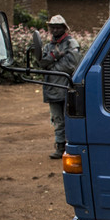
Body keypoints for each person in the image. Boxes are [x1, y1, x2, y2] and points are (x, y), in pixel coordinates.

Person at [40, 15, 81, 159]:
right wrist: (56, 56)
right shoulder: (48, 46)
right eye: (53, 27)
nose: (55, 30)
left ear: (64, 28)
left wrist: (52, 64)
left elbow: (71, 65)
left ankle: (71, 146)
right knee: (57, 120)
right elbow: (42, 63)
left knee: (70, 118)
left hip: (66, 87)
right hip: (51, 88)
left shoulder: (71, 43)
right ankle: (59, 146)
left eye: (58, 27)